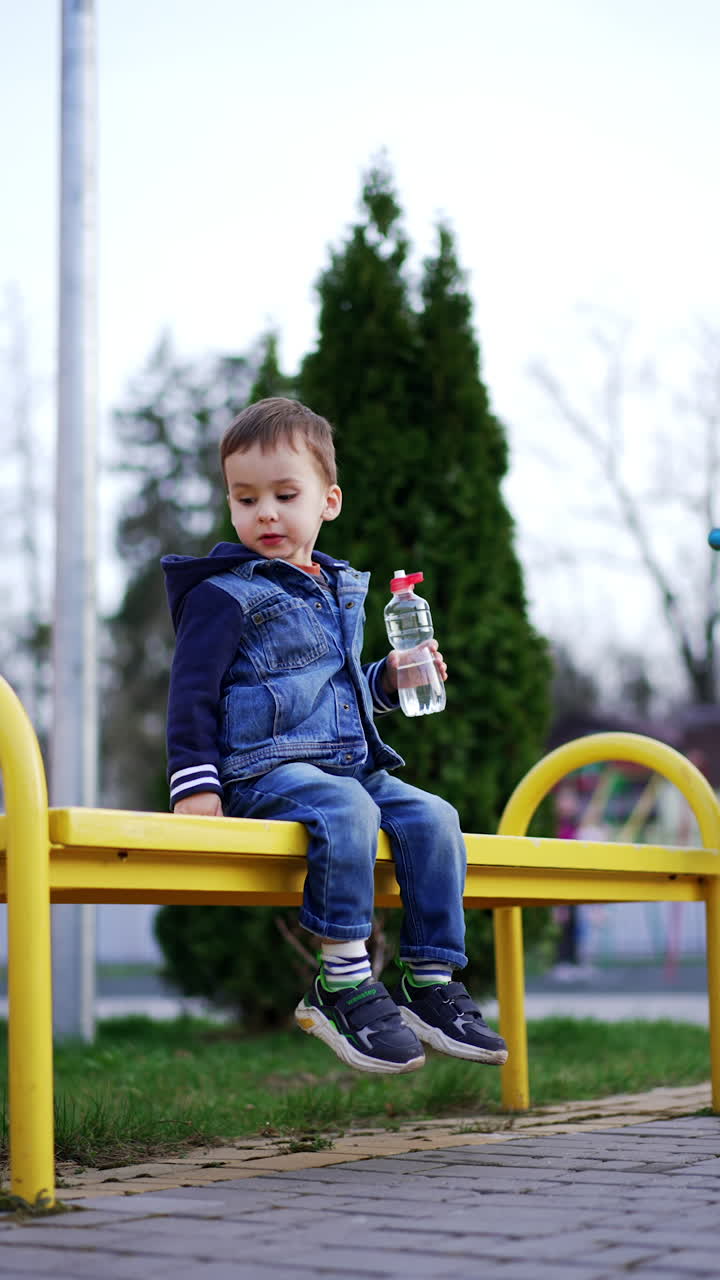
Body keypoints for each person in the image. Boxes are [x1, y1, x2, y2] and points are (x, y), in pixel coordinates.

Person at [162, 397, 508, 1075]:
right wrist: (194, 785)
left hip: (346, 763)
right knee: (348, 809)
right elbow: (192, 693)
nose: (265, 512)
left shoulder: (337, 588)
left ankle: (429, 982)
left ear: (329, 501)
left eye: (285, 495)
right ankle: (342, 982)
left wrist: (388, 678)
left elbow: (335, 690)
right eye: (245, 497)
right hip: (266, 772)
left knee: (435, 817)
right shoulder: (223, 596)